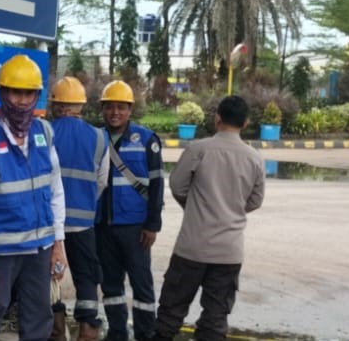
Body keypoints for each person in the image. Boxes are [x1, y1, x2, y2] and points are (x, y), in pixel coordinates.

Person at [0, 55, 68, 341]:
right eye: (15, 92)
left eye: (29, 93)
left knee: (39, 320)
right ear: (2, 93)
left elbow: (55, 190)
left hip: (39, 249)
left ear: (37, 96)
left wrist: (58, 244)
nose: (22, 101)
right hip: (0, 253)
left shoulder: (45, 132)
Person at [152, 95, 265, 341]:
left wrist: (196, 207)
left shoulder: (199, 149)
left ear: (217, 118)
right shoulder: (254, 158)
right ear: (245, 123)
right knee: (215, 320)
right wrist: (231, 210)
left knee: (170, 314)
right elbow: (255, 200)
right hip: (229, 252)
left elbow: (178, 185)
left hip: (192, 247)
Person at [95, 80, 165, 341]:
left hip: (136, 228)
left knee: (141, 283)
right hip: (103, 225)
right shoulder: (96, 138)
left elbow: (157, 185)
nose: (115, 112)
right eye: (110, 107)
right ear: (103, 109)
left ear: (130, 110)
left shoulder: (146, 139)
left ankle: (146, 333)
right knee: (110, 284)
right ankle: (117, 333)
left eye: (121, 107)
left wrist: (152, 224)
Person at [47, 76, 110, 341]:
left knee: (50, 278)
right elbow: (102, 181)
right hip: (83, 223)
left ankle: (56, 330)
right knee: (86, 278)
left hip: (49, 225)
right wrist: (85, 201)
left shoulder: (44, 132)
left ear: (57, 105)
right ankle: (87, 329)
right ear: (81, 106)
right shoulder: (99, 137)